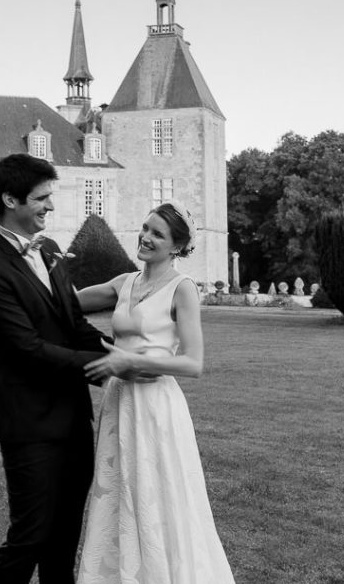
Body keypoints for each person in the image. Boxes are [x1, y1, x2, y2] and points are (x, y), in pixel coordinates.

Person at [0, 153, 142, 584]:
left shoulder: (48, 250)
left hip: (71, 417)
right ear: (10, 199)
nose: (50, 206)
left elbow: (73, 322)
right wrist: (107, 364)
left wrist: (115, 349)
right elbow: (26, 349)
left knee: (64, 537)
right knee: (30, 535)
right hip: (28, 423)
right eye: (42, 198)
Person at [75, 201, 236, 583]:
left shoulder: (183, 289)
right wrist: (39, 266)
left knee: (156, 494)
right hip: (119, 403)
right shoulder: (123, 282)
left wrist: (132, 363)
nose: (146, 237)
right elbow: (65, 302)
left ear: (176, 246)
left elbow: (193, 363)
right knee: (118, 492)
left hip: (156, 406)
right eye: (146, 228)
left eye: (157, 234)